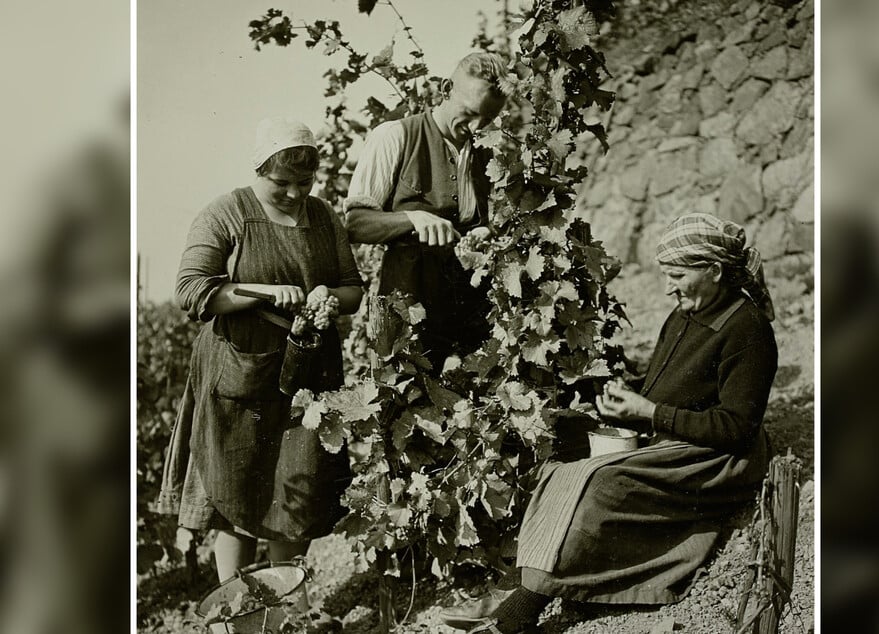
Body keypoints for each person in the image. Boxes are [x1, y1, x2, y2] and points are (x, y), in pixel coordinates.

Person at [445, 213, 779, 633]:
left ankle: (519, 613)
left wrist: (649, 413)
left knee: (601, 485)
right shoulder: (685, 314)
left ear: (713, 270)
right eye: (666, 275)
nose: (668, 286)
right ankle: (521, 584)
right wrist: (623, 399)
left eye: (677, 275)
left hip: (716, 459)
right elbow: (668, 384)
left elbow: (737, 427)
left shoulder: (747, 330)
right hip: (675, 435)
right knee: (560, 456)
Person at [155, 117, 364, 582]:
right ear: (259, 170)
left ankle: (287, 600)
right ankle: (237, 603)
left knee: (298, 486)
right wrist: (262, 292)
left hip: (308, 367)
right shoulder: (226, 213)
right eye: (281, 183)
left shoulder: (324, 217)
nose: (294, 193)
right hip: (240, 368)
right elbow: (191, 290)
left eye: (304, 183)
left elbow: (353, 288)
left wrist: (328, 295)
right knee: (236, 487)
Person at [344, 52, 508, 370]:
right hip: (404, 316)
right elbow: (356, 224)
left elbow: (494, 226)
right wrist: (413, 218)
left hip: (469, 319)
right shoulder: (395, 136)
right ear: (446, 89)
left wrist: (485, 234)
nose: (476, 127)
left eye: (487, 119)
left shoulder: (488, 156)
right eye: (469, 113)